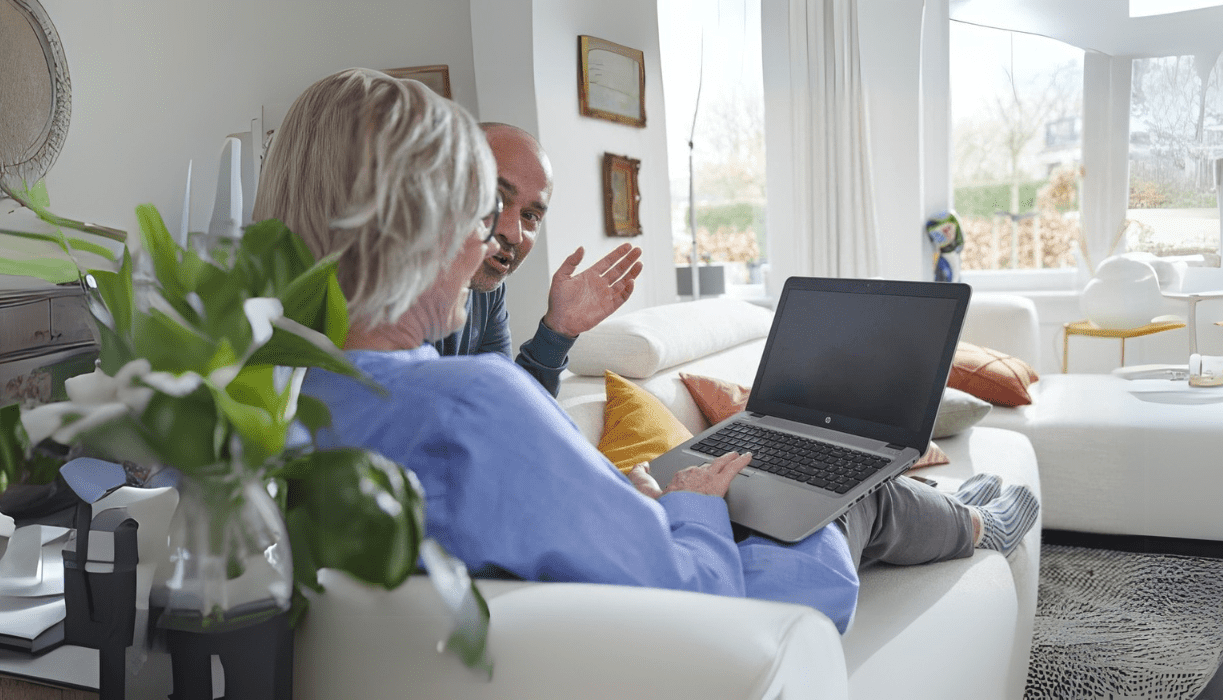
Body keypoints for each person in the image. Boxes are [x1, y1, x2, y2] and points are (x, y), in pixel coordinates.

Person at [256, 68, 1039, 633]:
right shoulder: (469, 404)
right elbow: (694, 594)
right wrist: (692, 510)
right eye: (478, 213)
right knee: (843, 493)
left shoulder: (269, 409)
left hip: (592, 602)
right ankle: (970, 529)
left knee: (792, 479)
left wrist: (627, 497)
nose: (488, 242)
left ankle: (952, 518)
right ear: (423, 224)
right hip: (716, 636)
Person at [429, 121, 642, 396]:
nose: (513, 233)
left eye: (530, 216)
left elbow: (507, 407)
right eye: (495, 199)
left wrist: (558, 330)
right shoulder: (384, 293)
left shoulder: (487, 291)